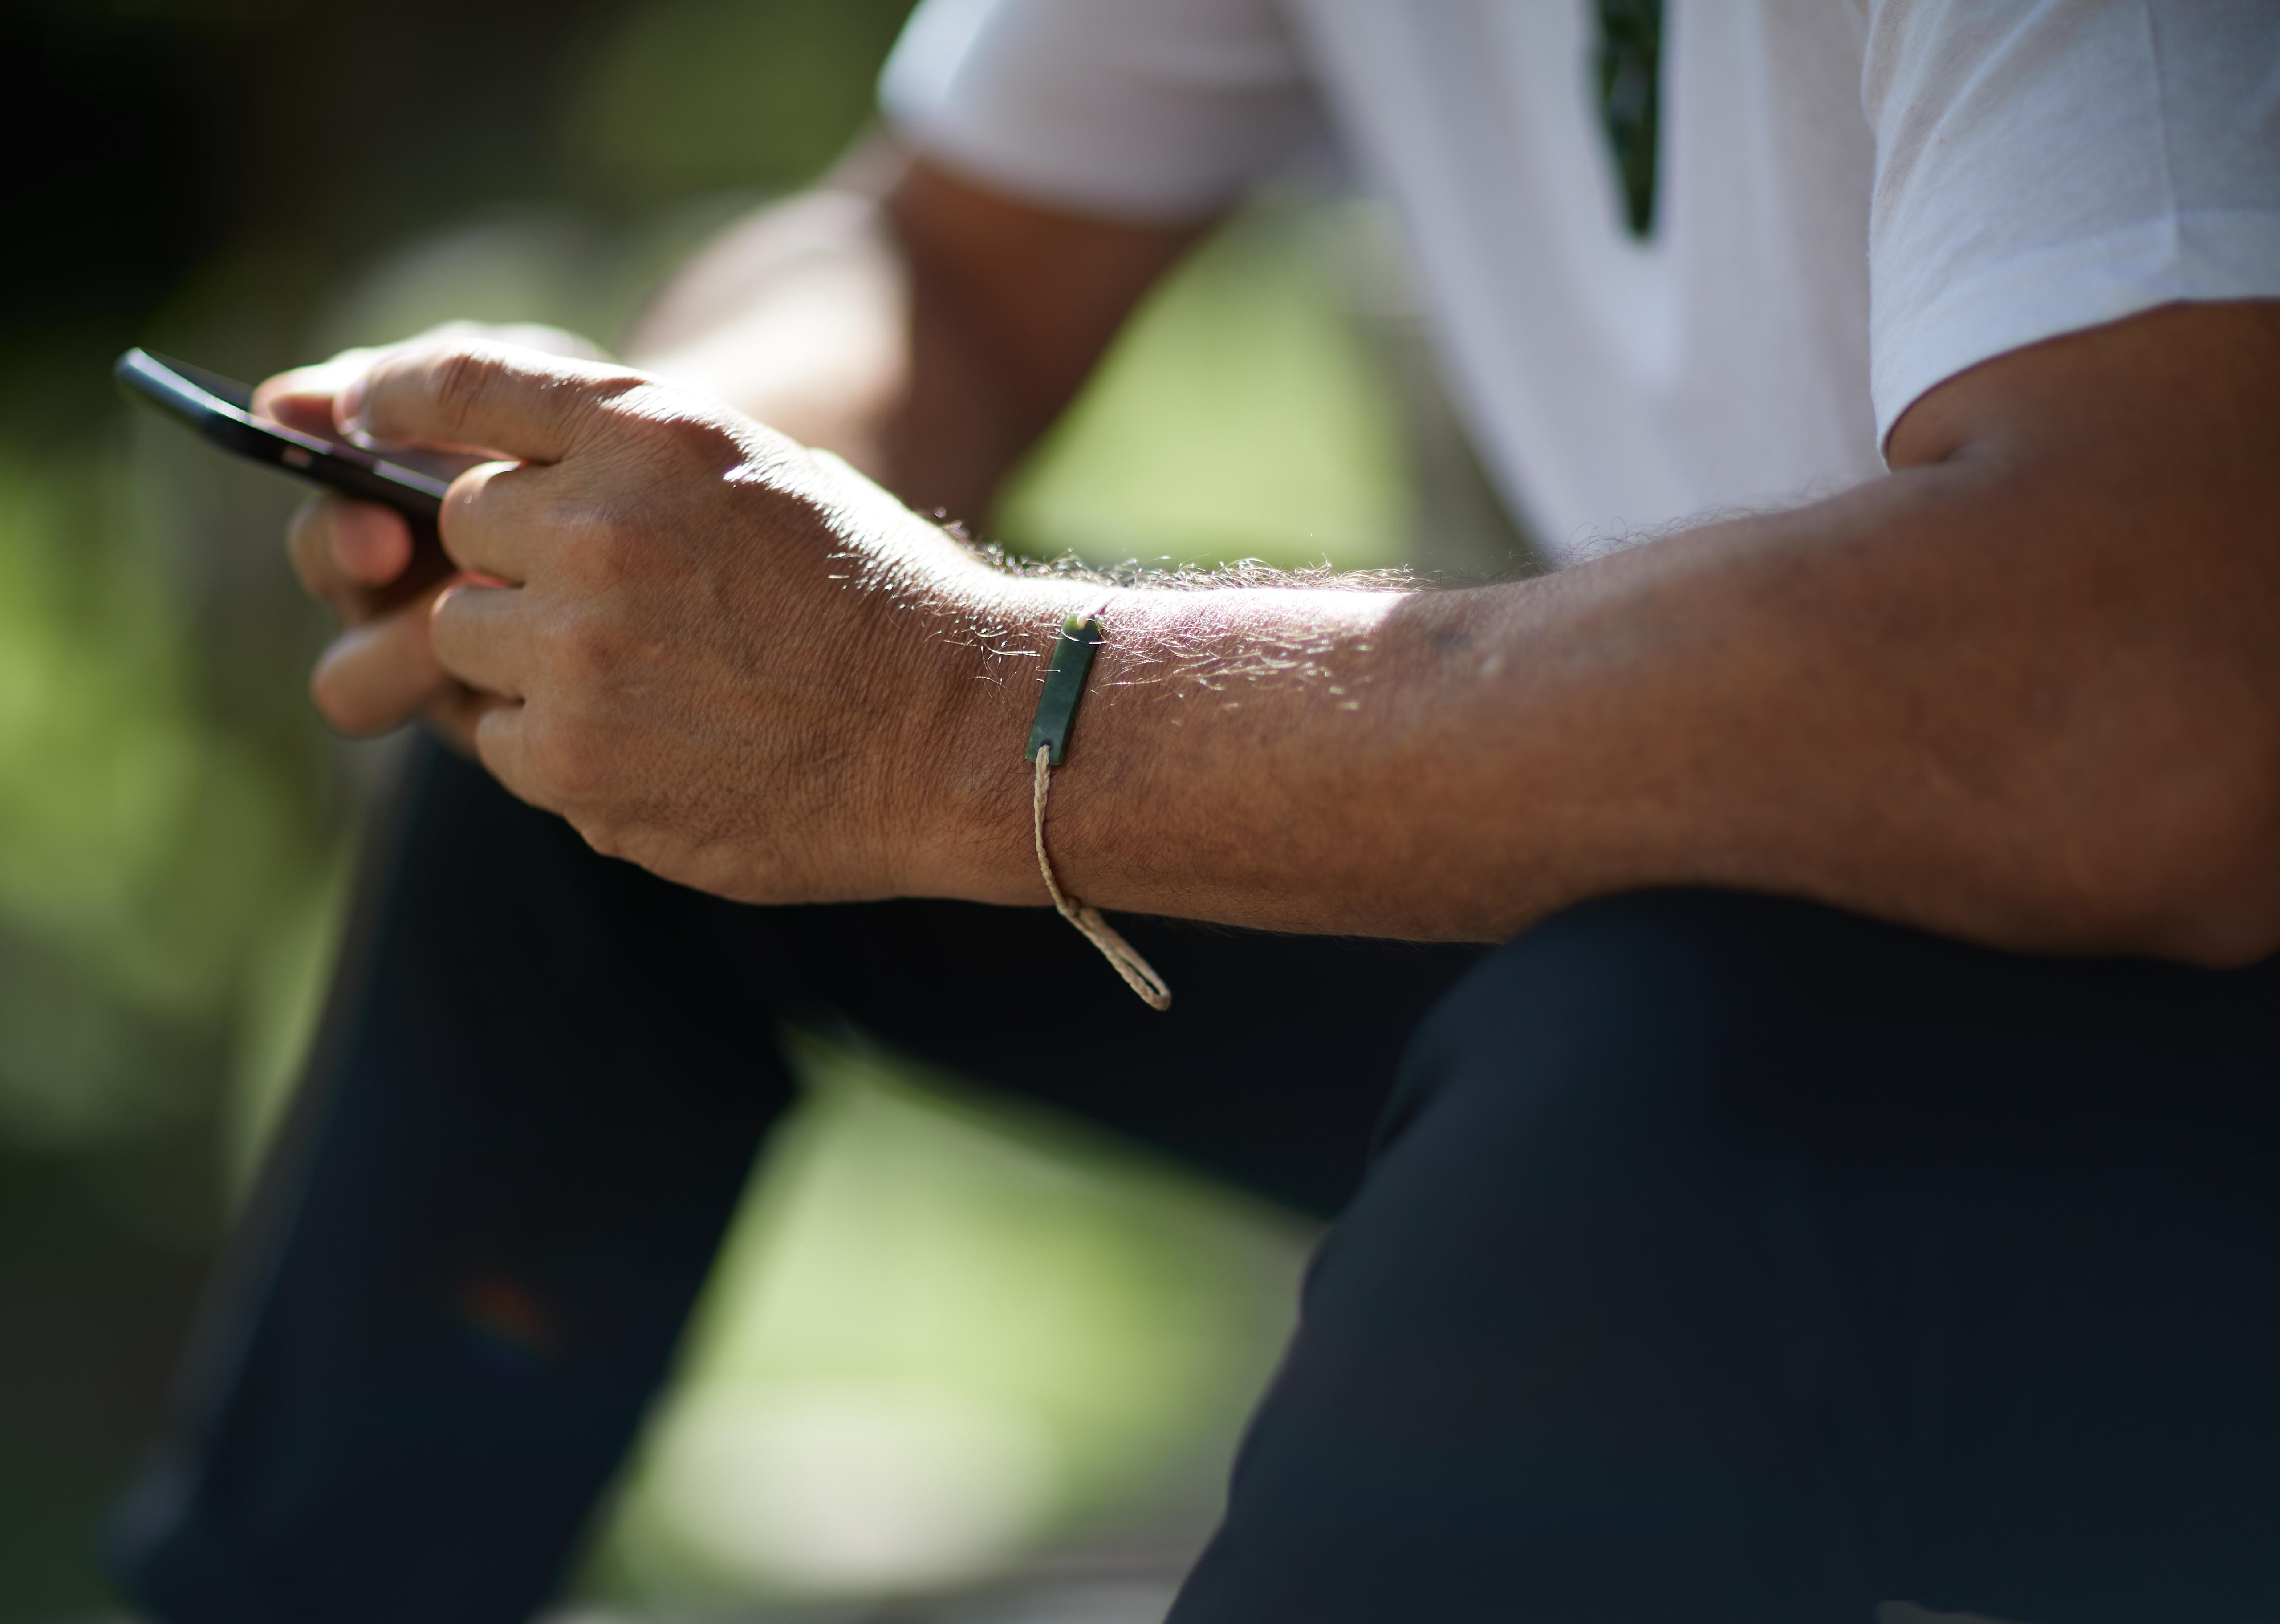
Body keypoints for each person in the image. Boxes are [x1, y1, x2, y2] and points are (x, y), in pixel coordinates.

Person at [109, 2, 2280, 1621]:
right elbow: (939, 253)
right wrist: (647, 544)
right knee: (596, 768)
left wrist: (956, 713)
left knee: (1651, 1100)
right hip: (1783, 912)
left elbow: (2135, 703)